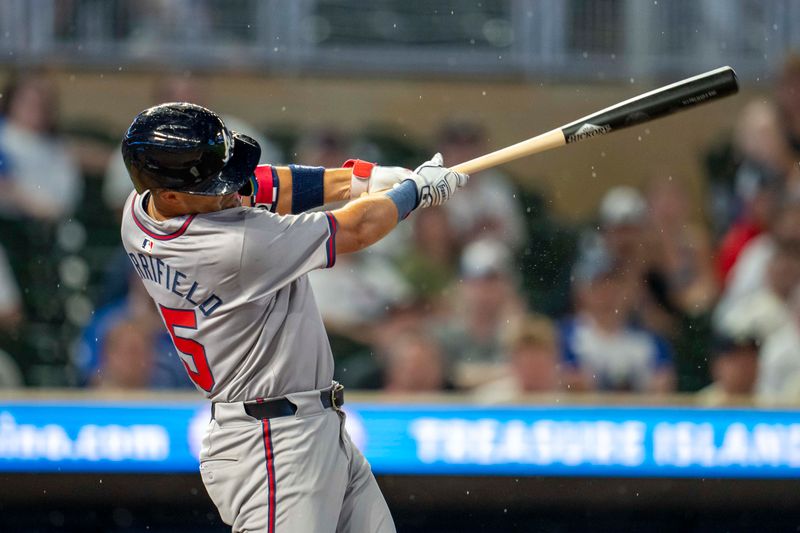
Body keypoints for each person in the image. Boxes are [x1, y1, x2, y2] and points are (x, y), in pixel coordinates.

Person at [119, 102, 468, 532]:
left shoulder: (139, 212)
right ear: (172, 193)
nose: (230, 190)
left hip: (304, 425)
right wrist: (413, 194)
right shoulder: (238, 247)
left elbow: (260, 184)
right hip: (271, 445)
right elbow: (355, 229)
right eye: (215, 183)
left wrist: (360, 179)